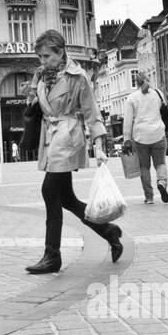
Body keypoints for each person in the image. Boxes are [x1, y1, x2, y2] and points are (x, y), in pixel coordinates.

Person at [24, 29, 124, 275]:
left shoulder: (78, 77)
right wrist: (33, 97)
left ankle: (52, 255)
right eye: (40, 57)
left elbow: (92, 112)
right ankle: (108, 231)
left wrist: (99, 145)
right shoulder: (40, 75)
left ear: (60, 52)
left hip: (67, 136)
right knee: (66, 197)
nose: (43, 61)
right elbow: (37, 102)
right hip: (50, 136)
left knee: (49, 191)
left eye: (47, 56)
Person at [121, 71, 168, 205]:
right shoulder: (158, 93)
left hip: (141, 136)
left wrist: (126, 138)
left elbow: (128, 120)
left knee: (144, 167)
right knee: (160, 163)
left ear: (136, 83)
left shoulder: (132, 98)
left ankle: (149, 197)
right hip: (158, 133)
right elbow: (164, 110)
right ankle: (162, 182)